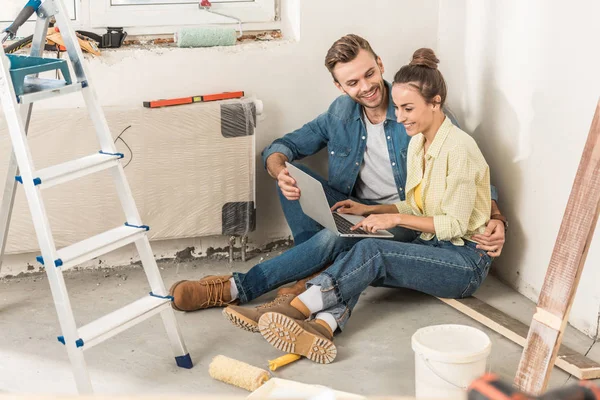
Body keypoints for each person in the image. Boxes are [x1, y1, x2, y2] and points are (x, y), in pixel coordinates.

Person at [167, 35, 506, 327]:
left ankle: (236, 288)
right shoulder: (339, 113)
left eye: (369, 74)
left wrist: (496, 218)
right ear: (339, 86)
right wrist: (279, 170)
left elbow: (471, 176)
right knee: (293, 177)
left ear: (380, 64)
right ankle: (311, 278)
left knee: (335, 239)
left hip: (405, 221)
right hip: (361, 208)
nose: (366, 87)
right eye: (353, 82)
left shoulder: (418, 112)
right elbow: (282, 147)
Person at [255, 48, 495, 364]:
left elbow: (455, 226)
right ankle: (323, 326)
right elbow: (416, 205)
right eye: (398, 109)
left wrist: (392, 219)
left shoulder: (459, 149)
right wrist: (371, 211)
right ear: (341, 87)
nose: (400, 117)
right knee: (361, 253)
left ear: (436, 103)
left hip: (464, 261)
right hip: (431, 245)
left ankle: (297, 307)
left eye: (408, 108)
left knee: (372, 251)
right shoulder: (420, 143)